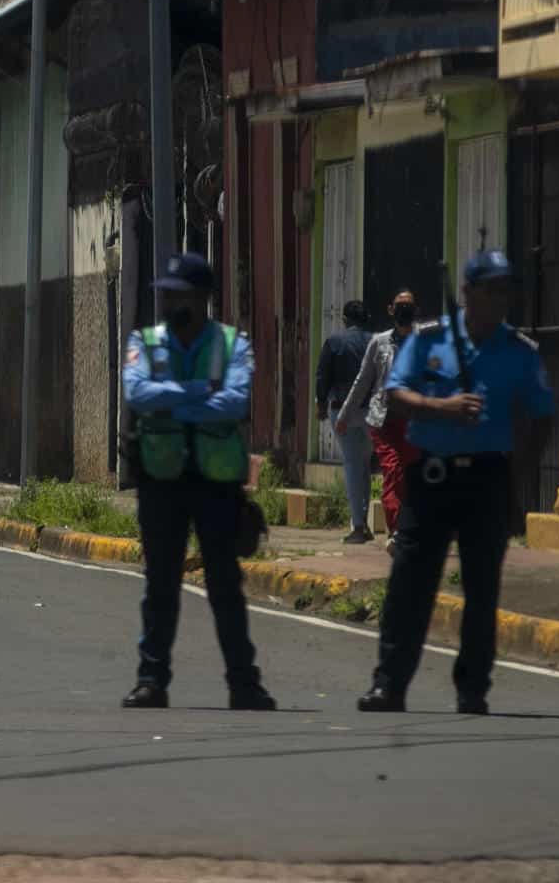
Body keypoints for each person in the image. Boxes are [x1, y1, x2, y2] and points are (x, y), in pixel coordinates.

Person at [358, 250, 554, 716]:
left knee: (482, 589)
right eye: (491, 289)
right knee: (409, 584)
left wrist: (517, 477)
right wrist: (440, 407)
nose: (500, 298)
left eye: (506, 289)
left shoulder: (519, 351)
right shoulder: (429, 341)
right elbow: (395, 396)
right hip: (431, 476)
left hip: (487, 478)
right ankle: (390, 683)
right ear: (467, 292)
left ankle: (473, 688)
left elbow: (543, 415)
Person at [119, 251, 277, 711]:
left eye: (177, 295)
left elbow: (235, 401)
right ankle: (151, 680)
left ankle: (243, 683)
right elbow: (137, 394)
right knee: (160, 586)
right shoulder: (144, 342)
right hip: (161, 479)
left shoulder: (232, 344)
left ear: (203, 297)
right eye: (163, 296)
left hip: (216, 483)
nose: (167, 304)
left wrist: (171, 404)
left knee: (225, 585)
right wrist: (196, 393)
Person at [338, 290, 422, 554]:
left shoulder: (425, 341)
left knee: (412, 476)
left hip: (412, 421)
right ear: (390, 310)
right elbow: (363, 380)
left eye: (408, 306)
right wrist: (344, 415)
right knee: (393, 470)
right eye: (399, 306)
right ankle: (395, 532)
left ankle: (411, 529)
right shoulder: (379, 342)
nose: (403, 311)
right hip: (383, 419)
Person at [316, 299, 374, 544]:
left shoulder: (334, 342)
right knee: (364, 464)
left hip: (342, 410)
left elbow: (323, 375)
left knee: (352, 464)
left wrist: (320, 405)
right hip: (372, 410)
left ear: (345, 319)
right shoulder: (376, 341)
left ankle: (358, 526)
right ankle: (363, 522)